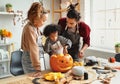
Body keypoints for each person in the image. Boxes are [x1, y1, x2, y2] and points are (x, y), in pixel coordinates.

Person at [21, 2, 48, 77]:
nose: (44, 23)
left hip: (36, 58)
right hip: (30, 60)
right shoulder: (29, 29)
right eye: (43, 21)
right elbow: (34, 48)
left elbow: (41, 41)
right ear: (35, 18)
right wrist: (37, 68)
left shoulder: (36, 28)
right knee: (32, 80)